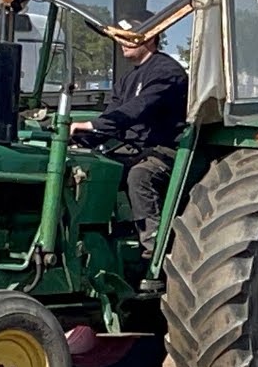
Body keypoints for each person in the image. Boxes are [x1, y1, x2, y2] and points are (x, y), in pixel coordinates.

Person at [69, 18, 188, 258]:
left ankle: (154, 251)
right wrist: (79, 139)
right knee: (93, 168)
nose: (122, 43)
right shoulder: (126, 79)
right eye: (120, 37)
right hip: (133, 150)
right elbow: (112, 118)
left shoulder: (166, 72)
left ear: (151, 37)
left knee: (140, 175)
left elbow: (137, 109)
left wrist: (92, 124)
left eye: (129, 36)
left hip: (166, 150)